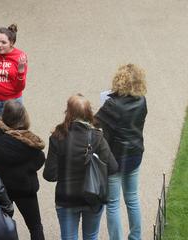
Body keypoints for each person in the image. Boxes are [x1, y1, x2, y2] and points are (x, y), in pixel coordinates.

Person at [43, 94, 118, 240]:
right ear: (89, 112)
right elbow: (113, 167)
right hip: (93, 196)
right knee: (91, 237)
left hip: (67, 198)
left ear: (68, 112)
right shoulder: (97, 137)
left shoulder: (58, 137)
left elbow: (49, 175)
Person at [94, 64, 147, 240]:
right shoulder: (142, 100)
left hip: (114, 158)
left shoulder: (113, 105)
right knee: (132, 199)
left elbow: (95, 123)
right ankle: (136, 237)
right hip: (134, 154)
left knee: (113, 203)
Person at [0, 100, 46, 240]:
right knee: (35, 227)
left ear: (4, 116)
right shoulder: (29, 141)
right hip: (25, 189)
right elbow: (40, 160)